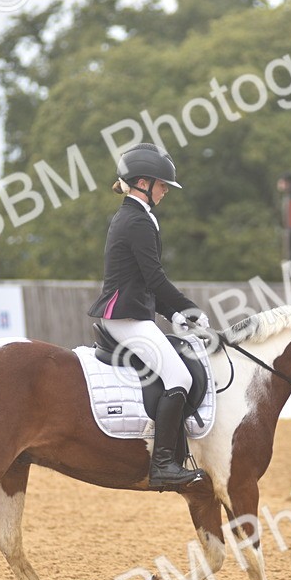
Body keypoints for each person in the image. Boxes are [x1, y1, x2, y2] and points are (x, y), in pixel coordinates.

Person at [88, 143, 209, 490]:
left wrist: (174, 313)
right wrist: (189, 309)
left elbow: (145, 283)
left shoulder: (137, 216)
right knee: (180, 378)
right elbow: (155, 278)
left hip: (131, 311)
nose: (165, 190)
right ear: (142, 183)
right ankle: (164, 464)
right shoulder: (137, 220)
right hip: (125, 317)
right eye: (162, 184)